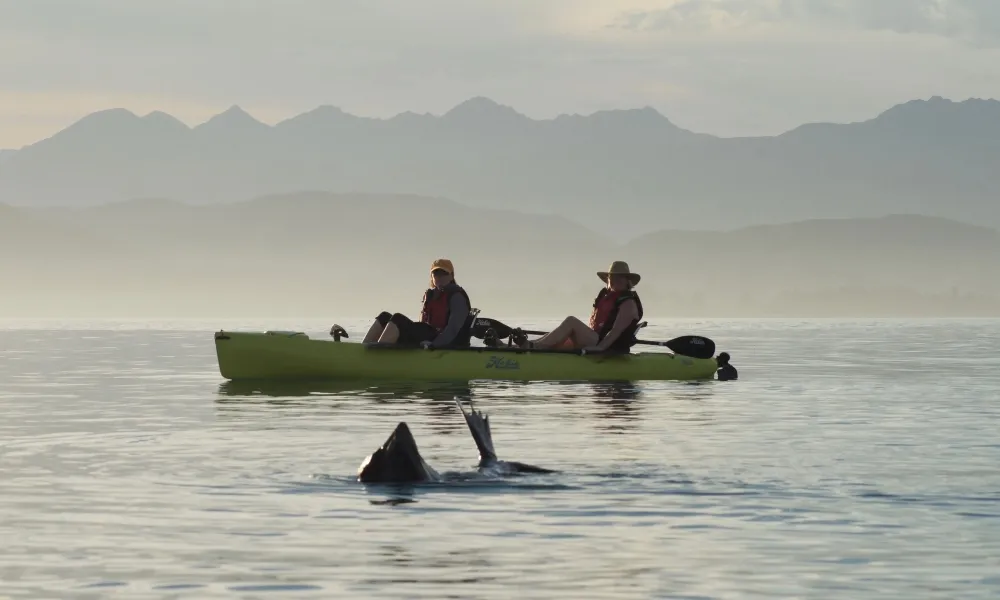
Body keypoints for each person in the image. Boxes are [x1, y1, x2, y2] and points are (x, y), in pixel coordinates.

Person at [520, 261, 644, 353]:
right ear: (608, 280)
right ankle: (525, 346)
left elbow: (615, 331)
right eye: (613, 277)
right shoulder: (607, 296)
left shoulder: (628, 303)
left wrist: (599, 348)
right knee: (556, 337)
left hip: (606, 344)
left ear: (628, 281)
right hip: (595, 339)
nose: (616, 280)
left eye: (621, 277)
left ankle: (533, 348)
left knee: (571, 321)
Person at [363, 259, 475, 349]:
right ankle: (362, 351)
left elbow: (453, 328)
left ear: (451, 276)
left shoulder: (456, 296)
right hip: (428, 335)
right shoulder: (431, 295)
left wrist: (434, 344)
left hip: (443, 342)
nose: (439, 277)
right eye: (436, 273)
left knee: (398, 318)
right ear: (432, 277)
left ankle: (378, 358)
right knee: (384, 317)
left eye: (443, 273)